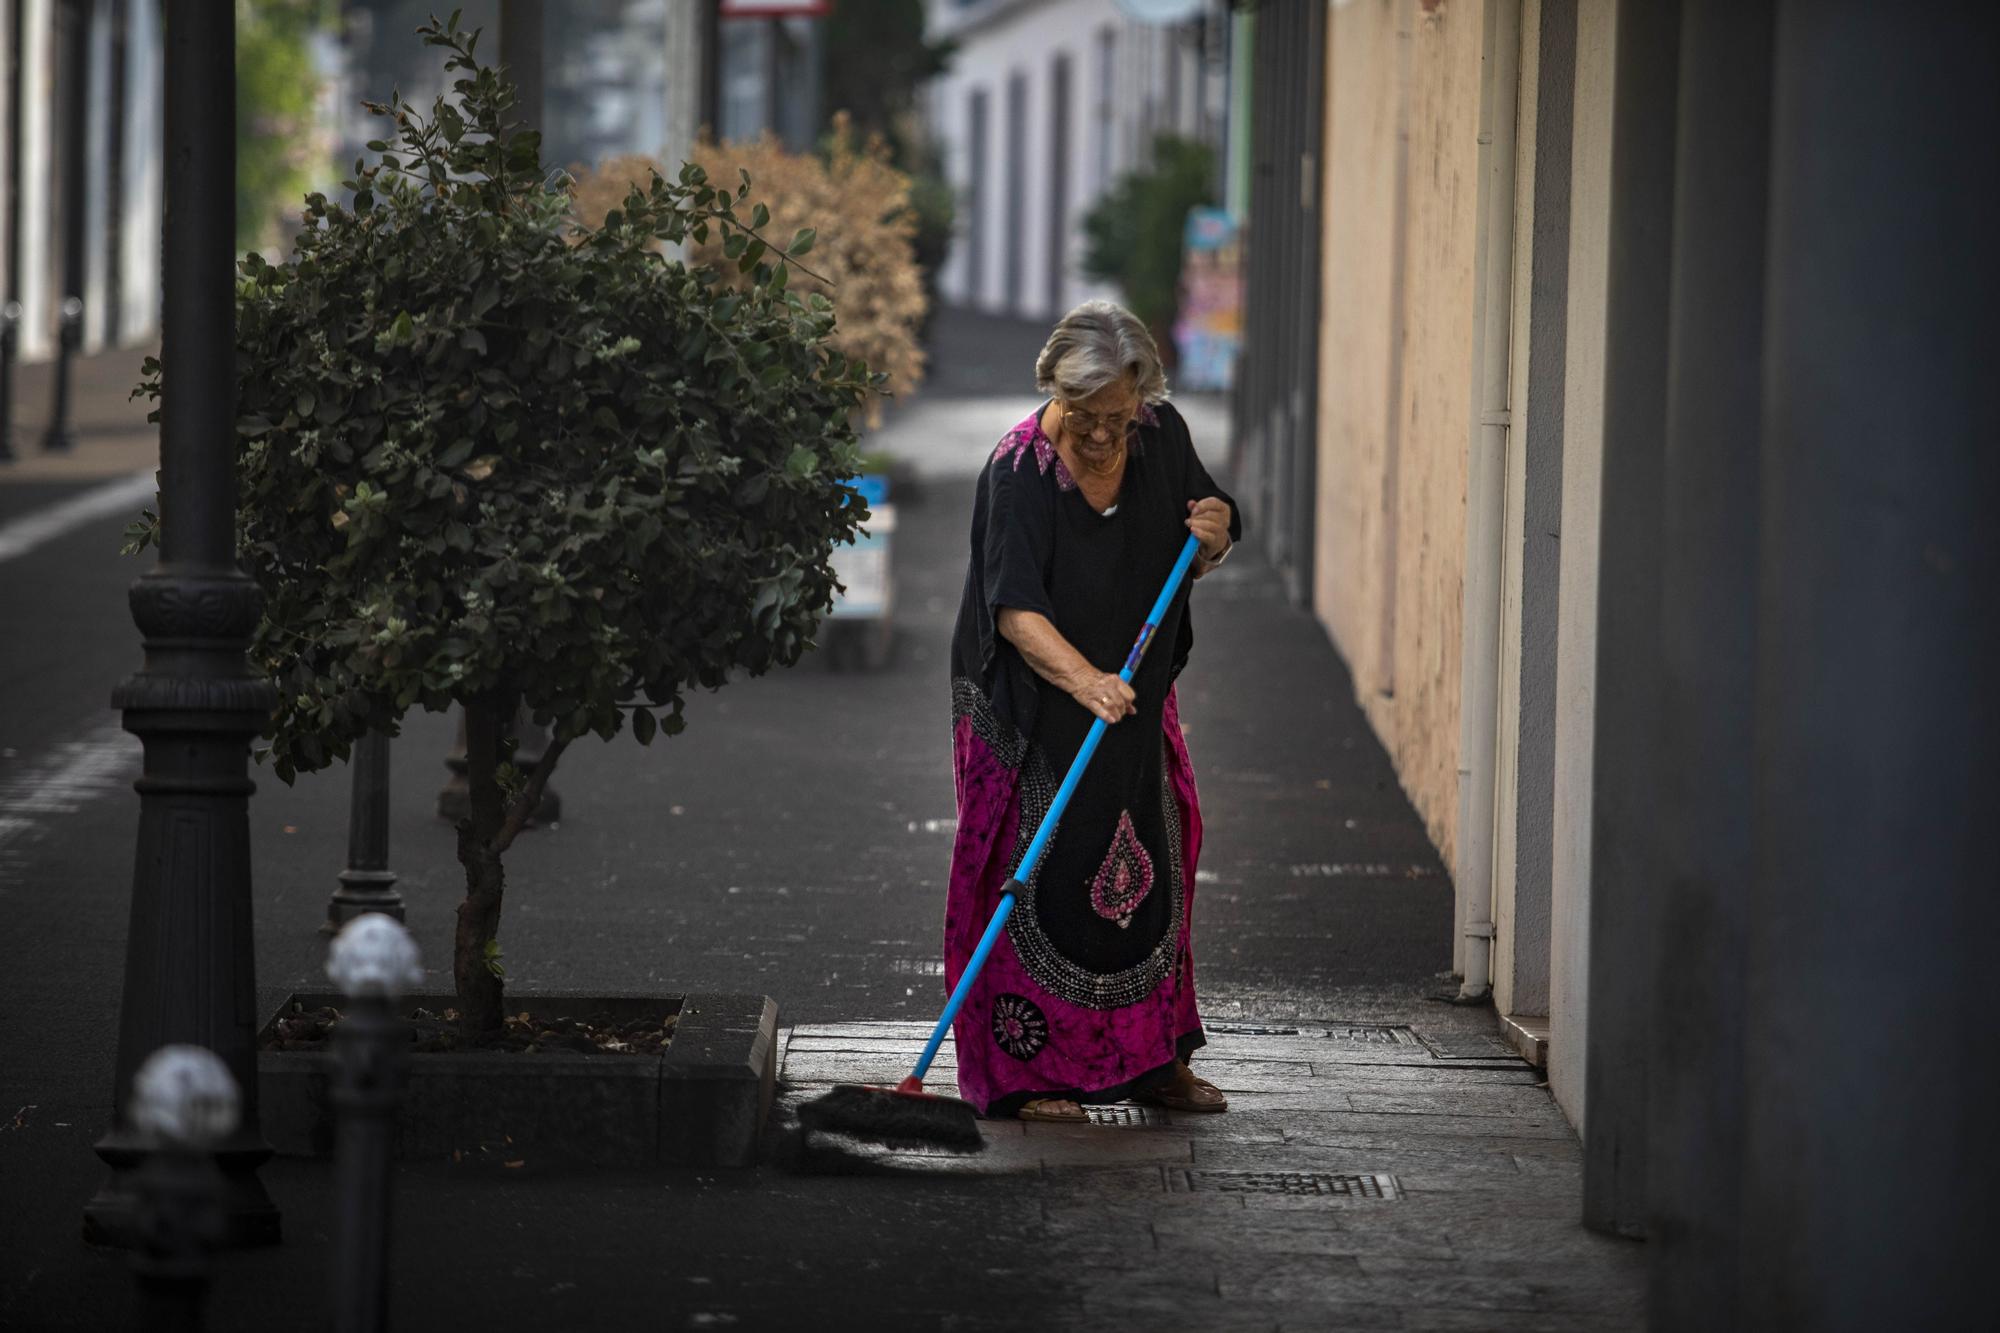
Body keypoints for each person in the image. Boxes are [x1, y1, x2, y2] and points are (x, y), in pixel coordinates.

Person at [944, 300, 1241, 1123]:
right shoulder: (1018, 471)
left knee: (1154, 854)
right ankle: (1027, 1074)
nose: (1107, 435)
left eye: (1120, 414)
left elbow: (1208, 523)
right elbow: (1014, 610)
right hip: (1034, 698)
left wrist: (1215, 535)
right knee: (1036, 872)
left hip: (1133, 690)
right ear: (1053, 391)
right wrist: (1087, 681)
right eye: (1087, 416)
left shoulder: (1161, 433)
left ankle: (1155, 1058)